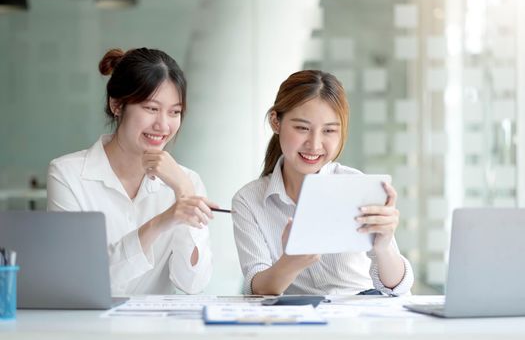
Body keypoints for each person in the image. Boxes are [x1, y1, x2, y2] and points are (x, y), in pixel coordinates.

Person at [47, 48, 216, 295]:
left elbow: (192, 284)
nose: (163, 125)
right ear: (116, 104)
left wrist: (184, 191)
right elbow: (78, 281)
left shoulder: (187, 181)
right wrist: (161, 221)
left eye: (175, 112)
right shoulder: (67, 175)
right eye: (151, 108)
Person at [232, 70, 414, 295]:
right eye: (302, 128)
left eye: (329, 130)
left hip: (361, 313)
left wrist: (384, 246)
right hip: (300, 319)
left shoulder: (354, 185)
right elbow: (257, 288)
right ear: (275, 122)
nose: (315, 144)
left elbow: (398, 287)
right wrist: (292, 260)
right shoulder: (249, 200)